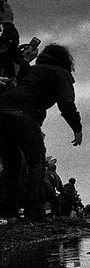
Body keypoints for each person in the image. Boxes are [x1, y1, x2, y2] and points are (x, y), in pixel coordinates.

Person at [0, 44, 82, 223]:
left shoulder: (31, 70)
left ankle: (8, 212)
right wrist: (77, 127)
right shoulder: (61, 74)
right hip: (24, 114)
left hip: (2, 110)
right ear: (66, 60)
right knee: (36, 160)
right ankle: (34, 211)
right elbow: (66, 103)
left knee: (12, 162)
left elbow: (12, 82)